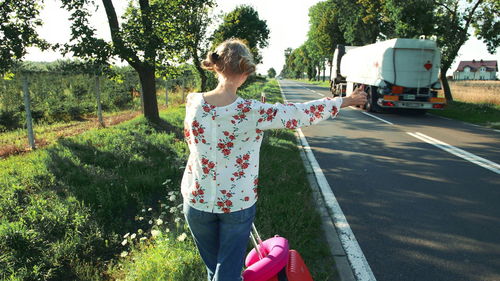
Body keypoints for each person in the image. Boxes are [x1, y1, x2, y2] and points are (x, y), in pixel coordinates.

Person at [181, 38, 367, 281]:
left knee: (214, 269)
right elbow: (300, 113)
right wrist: (346, 100)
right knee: (226, 272)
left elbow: (195, 139)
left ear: (215, 66)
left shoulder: (193, 102)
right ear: (246, 71)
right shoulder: (253, 110)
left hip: (196, 198)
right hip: (236, 203)